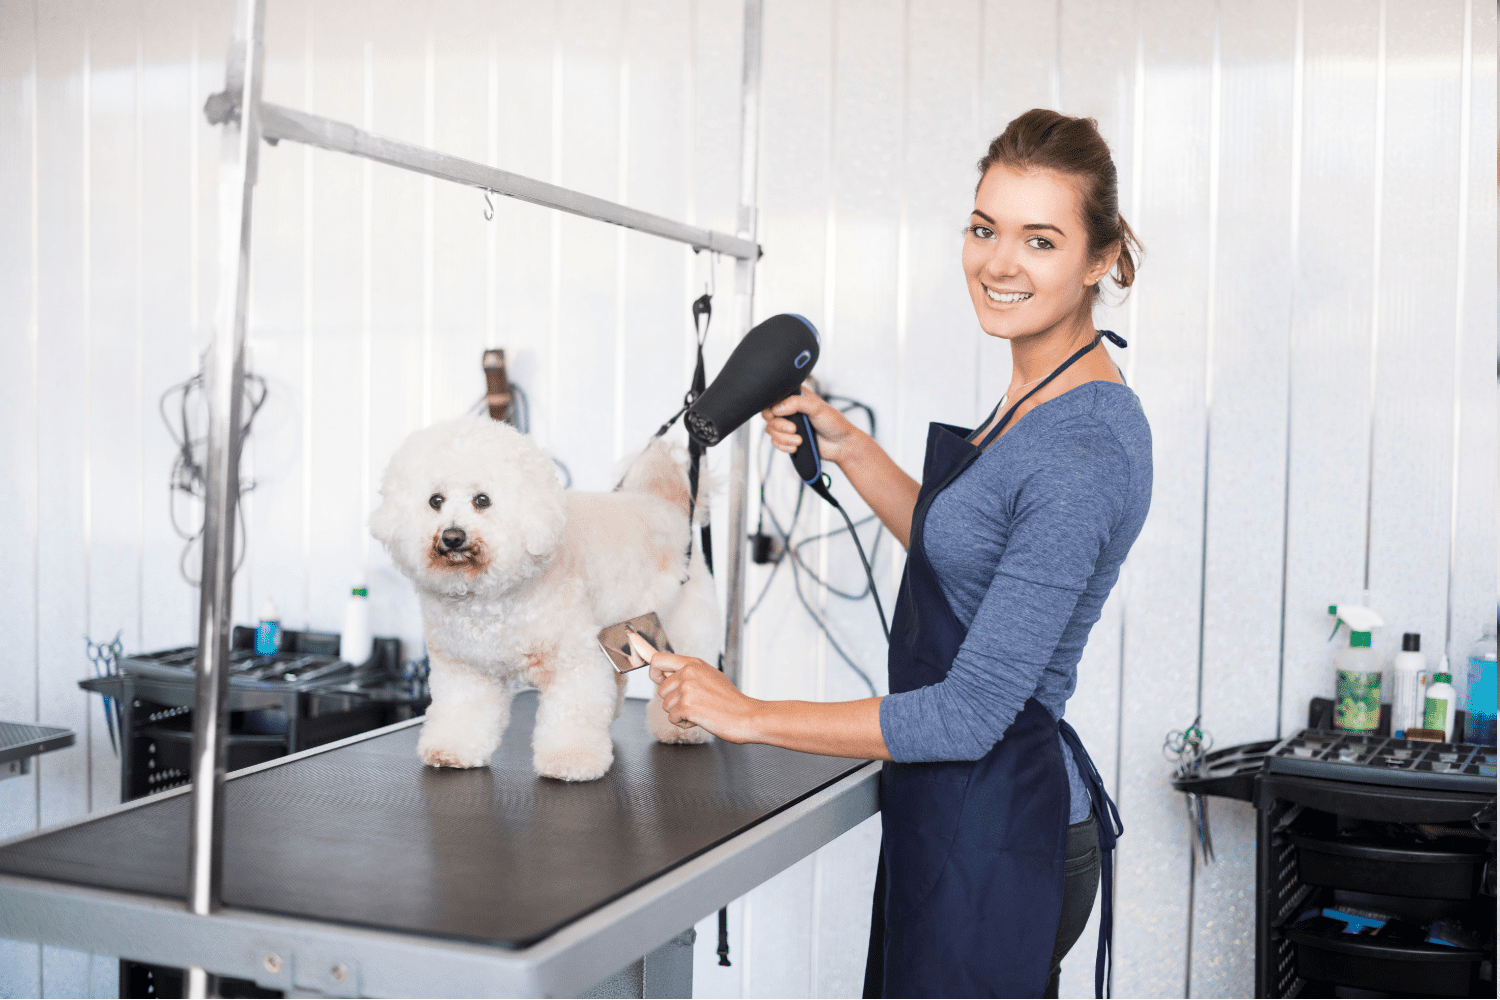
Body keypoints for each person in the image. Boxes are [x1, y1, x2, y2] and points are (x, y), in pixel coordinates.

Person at [635, 108, 1153, 999]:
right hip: (955, 810)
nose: (998, 263)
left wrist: (749, 712)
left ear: (1100, 260)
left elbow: (967, 715)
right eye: (985, 228)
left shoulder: (1082, 450)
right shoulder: (1036, 393)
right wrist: (852, 450)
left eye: (1040, 239)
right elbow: (973, 564)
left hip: (1005, 827)